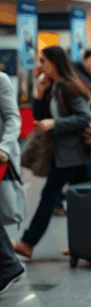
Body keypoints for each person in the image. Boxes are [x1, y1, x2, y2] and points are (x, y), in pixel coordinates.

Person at [13, 47, 91, 258]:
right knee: (84, 199)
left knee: (50, 196)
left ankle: (28, 242)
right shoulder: (54, 87)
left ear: (55, 62)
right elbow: (41, 118)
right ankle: (85, 244)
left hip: (71, 153)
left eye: (43, 61)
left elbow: (84, 117)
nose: (39, 65)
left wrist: (55, 123)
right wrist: (39, 95)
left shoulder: (68, 87)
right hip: (65, 153)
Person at [0, 71, 25, 294]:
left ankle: (10, 266)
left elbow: (13, 118)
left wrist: (5, 147)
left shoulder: (1, 80)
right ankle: (10, 265)